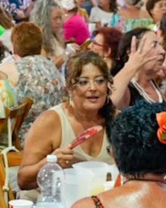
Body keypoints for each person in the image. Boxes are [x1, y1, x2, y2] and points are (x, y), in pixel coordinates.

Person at [18, 51, 116, 189]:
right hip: (51, 205)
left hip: (99, 204)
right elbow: (23, 180)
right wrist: (50, 162)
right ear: (70, 88)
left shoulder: (117, 120)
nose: (93, 88)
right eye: (83, 82)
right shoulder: (50, 121)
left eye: (100, 81)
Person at [9, 22, 64, 143]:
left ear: (15, 46)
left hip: (29, 137)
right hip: (57, 130)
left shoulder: (17, 69)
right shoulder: (50, 65)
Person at [111, 27, 166, 109]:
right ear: (131, 52)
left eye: (160, 45)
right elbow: (108, 105)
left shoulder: (154, 85)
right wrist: (130, 67)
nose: (162, 51)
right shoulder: (126, 89)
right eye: (154, 45)